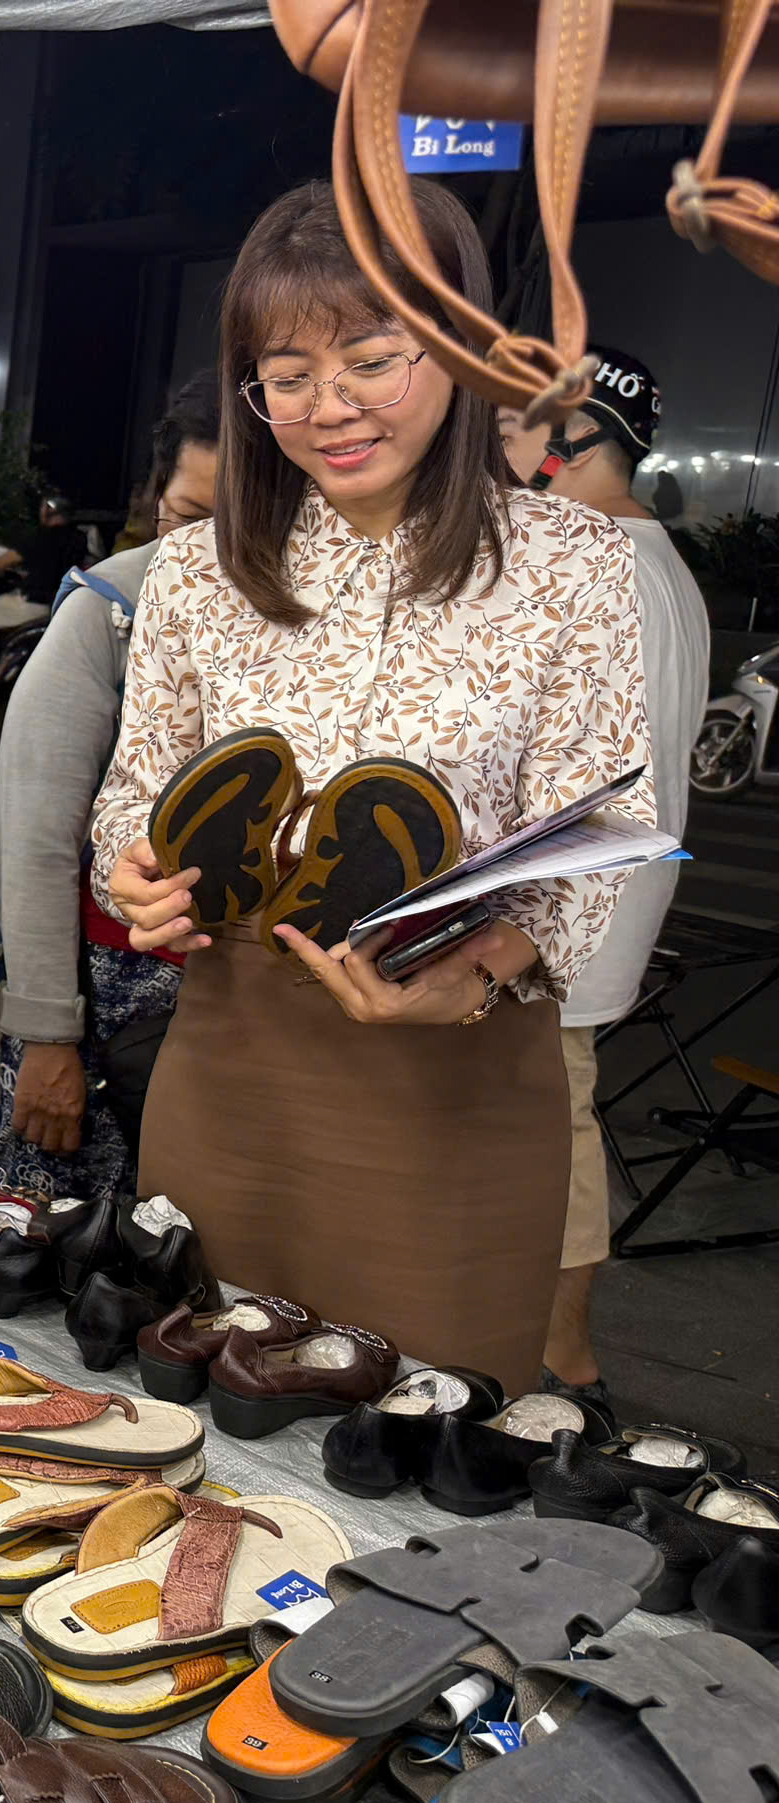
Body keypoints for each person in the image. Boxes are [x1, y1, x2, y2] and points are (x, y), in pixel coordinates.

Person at [95, 179, 649, 1392]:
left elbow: (610, 830)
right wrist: (135, 881)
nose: (327, 408)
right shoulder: (194, 573)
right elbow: (132, 802)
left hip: (457, 1063)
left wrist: (480, 969)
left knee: (417, 1429)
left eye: (370, 361)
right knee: (205, 1407)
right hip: (230, 1052)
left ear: (453, 346)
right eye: (284, 376)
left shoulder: (574, 566)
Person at [497, 348, 710, 1406]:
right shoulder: (659, 562)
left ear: (566, 442)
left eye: (506, 434)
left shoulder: (583, 563)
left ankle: (558, 1368)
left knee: (550, 1132)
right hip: (606, 903)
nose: (493, 455)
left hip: (559, 913)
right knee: (554, 1125)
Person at [0, 371, 221, 1200]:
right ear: (154, 497)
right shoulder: (112, 608)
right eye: (189, 518)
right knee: (64, 1255)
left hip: (244, 1021)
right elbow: (37, 836)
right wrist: (48, 1034)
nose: (207, 552)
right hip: (107, 1005)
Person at [0, 493, 82, 682]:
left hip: (35, 604)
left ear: (50, 510)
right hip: (61, 605)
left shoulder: (41, 537)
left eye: (43, 507)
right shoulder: (78, 538)